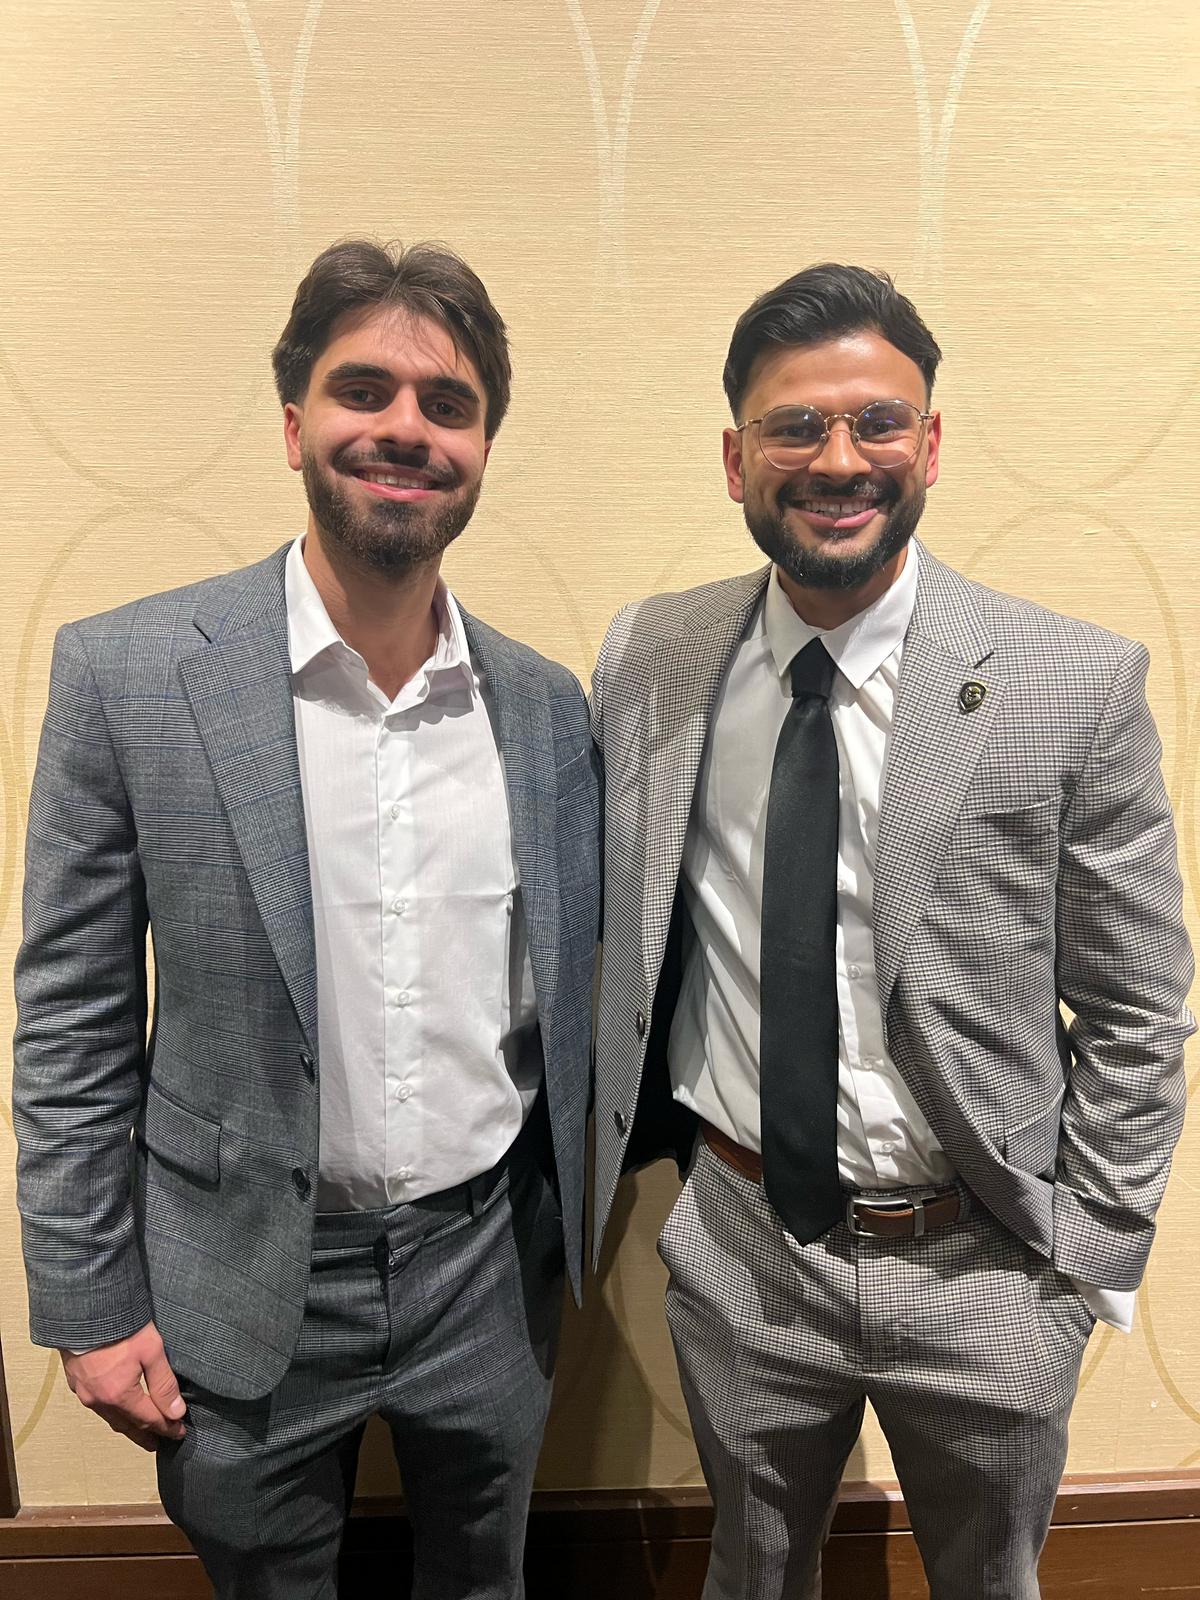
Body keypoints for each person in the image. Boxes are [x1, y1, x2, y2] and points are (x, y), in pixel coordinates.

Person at [590, 263, 1194, 1599]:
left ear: (930, 445)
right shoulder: (654, 658)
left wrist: (1084, 1256)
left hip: (984, 1263)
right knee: (751, 1578)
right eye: (796, 426)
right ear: (736, 456)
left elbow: (1143, 1004)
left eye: (877, 422)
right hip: (744, 1244)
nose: (837, 459)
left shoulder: (1069, 683)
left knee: (990, 1581)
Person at [13, 238, 599, 1600]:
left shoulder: (549, 709)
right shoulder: (131, 677)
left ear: (484, 447)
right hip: (239, 1270)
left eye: (447, 405)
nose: (405, 428)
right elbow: (72, 1017)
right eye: (364, 391)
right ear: (294, 426)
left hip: (485, 1273)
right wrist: (90, 1304)